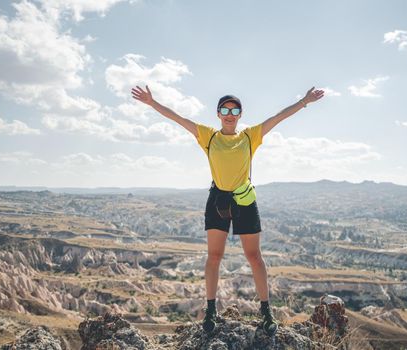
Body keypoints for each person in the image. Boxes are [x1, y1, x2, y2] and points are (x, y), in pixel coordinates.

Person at [131, 85, 324, 336]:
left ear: (240, 114)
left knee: (254, 256)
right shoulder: (208, 136)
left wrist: (304, 101)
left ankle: (266, 312)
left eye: (234, 110)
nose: (229, 114)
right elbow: (178, 119)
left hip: (244, 200)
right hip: (218, 200)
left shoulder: (249, 137)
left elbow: (278, 117)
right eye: (225, 109)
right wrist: (152, 103)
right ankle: (211, 311)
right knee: (214, 256)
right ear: (218, 114)